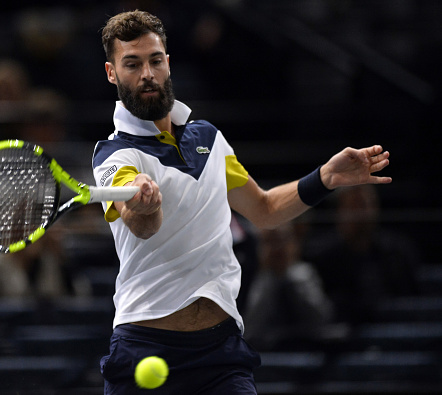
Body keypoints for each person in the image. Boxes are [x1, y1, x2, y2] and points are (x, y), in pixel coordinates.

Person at [92, 10, 391, 394]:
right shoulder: (115, 156)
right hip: (145, 346)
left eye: (154, 60)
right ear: (111, 73)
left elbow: (264, 210)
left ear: (168, 62)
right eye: (131, 64)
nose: (147, 73)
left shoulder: (209, 139)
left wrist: (325, 178)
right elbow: (142, 225)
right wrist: (147, 205)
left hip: (222, 352)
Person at [307, 184, 420, 324]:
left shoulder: (397, 249)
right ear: (339, 210)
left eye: (368, 204)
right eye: (355, 205)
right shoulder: (320, 255)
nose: (364, 212)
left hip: (394, 328)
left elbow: (411, 299)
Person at [243, 222, 334, 351]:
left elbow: (321, 319)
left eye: (282, 240)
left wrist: (295, 283)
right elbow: (251, 328)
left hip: (308, 350)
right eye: (270, 241)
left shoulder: (305, 274)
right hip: (267, 354)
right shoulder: (252, 278)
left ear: (294, 244)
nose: (278, 248)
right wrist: (270, 281)